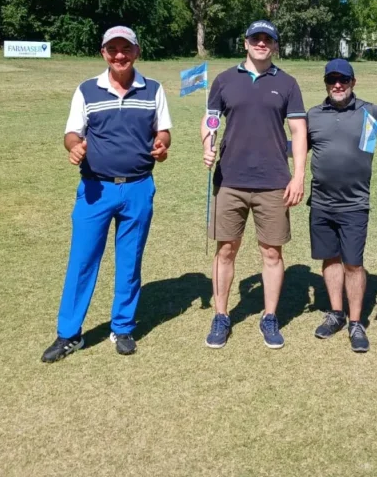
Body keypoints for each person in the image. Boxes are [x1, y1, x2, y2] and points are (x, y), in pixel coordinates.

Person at [41, 26, 172, 363]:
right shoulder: (87, 90)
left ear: (137, 51)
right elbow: (71, 133)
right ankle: (69, 334)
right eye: (113, 49)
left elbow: (163, 131)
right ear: (103, 53)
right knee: (82, 261)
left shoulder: (153, 89)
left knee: (129, 261)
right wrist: (75, 147)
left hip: (138, 187)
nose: (120, 55)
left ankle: (123, 327)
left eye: (126, 49)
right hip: (95, 189)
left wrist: (162, 145)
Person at [201, 20, 307, 350]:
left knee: (272, 252)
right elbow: (210, 119)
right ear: (245, 43)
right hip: (229, 180)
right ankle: (221, 316)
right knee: (226, 249)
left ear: (274, 46)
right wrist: (206, 143)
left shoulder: (287, 83)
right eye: (256, 39)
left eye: (267, 39)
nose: (262, 43)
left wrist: (298, 175)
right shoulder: (224, 79)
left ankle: (270, 316)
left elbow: (299, 132)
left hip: (273, 181)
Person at [305, 59, 377, 353]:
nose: (337, 85)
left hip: (355, 204)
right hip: (321, 203)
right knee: (330, 259)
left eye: (343, 80)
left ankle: (356, 322)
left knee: (353, 264)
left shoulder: (370, 112)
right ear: (325, 83)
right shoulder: (313, 115)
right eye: (332, 80)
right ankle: (336, 314)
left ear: (353, 82)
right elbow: (294, 148)